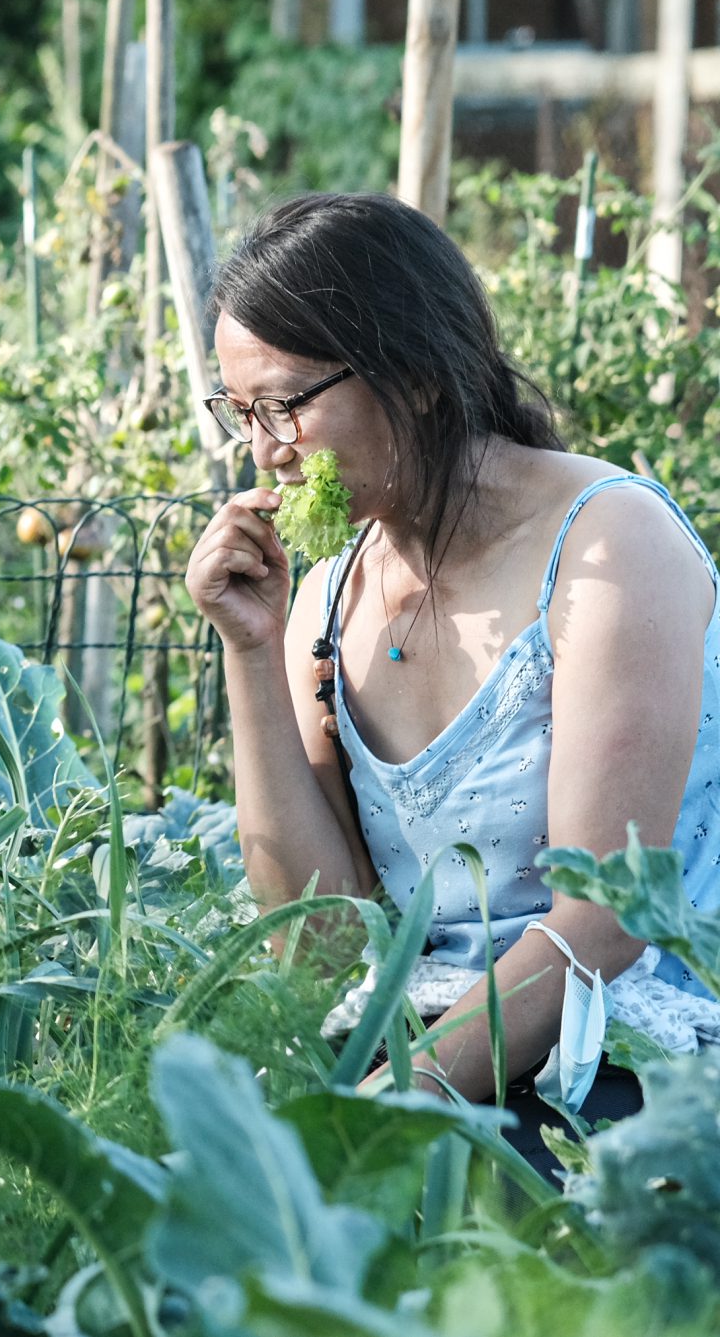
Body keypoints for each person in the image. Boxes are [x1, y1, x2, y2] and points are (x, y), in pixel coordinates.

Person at [184, 192, 720, 1164]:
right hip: (428, 1052)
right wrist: (250, 652)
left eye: (287, 403)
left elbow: (601, 927)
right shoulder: (325, 601)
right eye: (242, 411)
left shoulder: (607, 545)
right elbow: (318, 943)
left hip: (626, 1061)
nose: (266, 448)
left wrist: (377, 1121)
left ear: (417, 376)